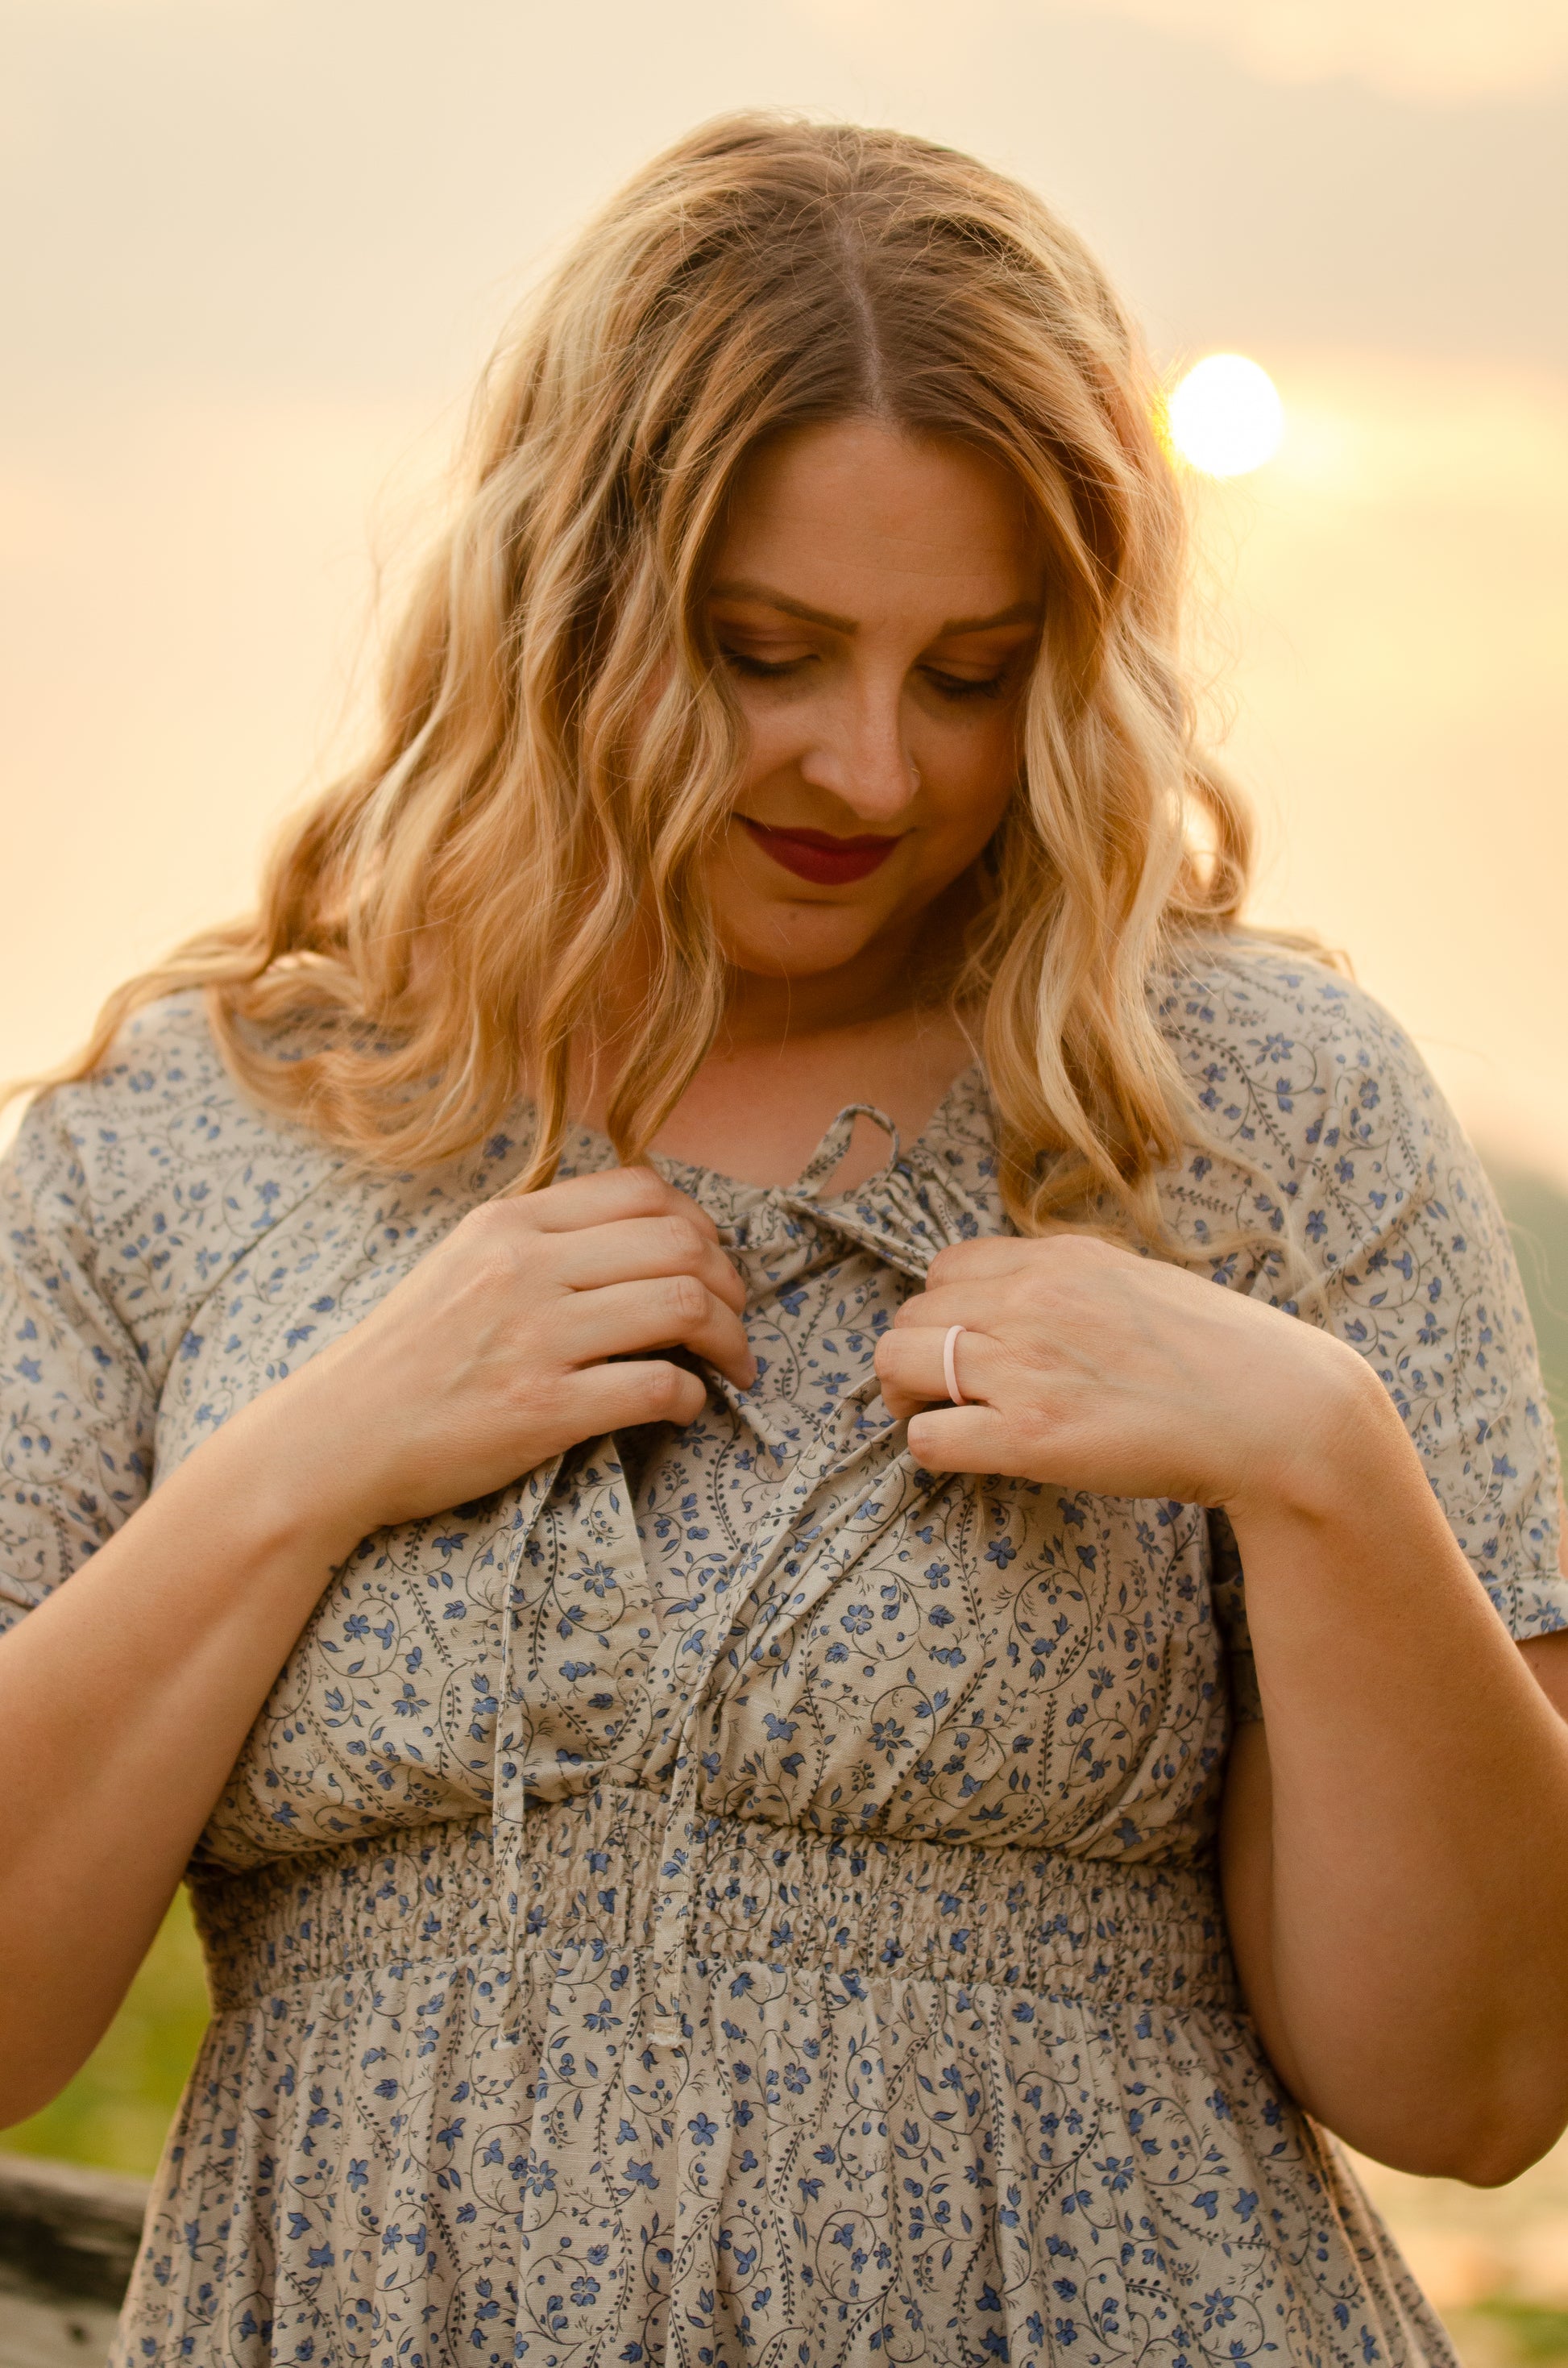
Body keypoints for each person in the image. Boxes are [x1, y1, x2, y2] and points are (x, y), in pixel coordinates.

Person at [1, 113, 1565, 2368]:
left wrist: (1319, 1454)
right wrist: (310, 1455)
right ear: (561, 606)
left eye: (970, 667)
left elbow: (1475, 2082)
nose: (872, 769)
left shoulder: (1267, 1107)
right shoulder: (191, 1136)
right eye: (767, 651)